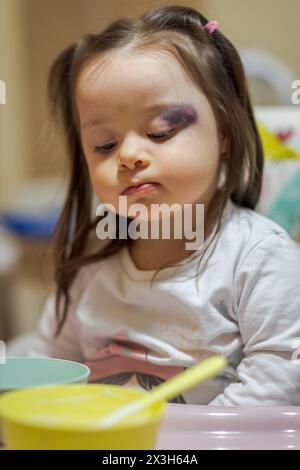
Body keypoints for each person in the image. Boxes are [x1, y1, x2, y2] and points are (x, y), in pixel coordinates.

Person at [29, 5, 300, 405]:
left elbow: (281, 381)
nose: (129, 155)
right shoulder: (92, 264)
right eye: (105, 145)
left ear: (224, 134)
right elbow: (50, 365)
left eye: (161, 132)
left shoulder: (259, 258)